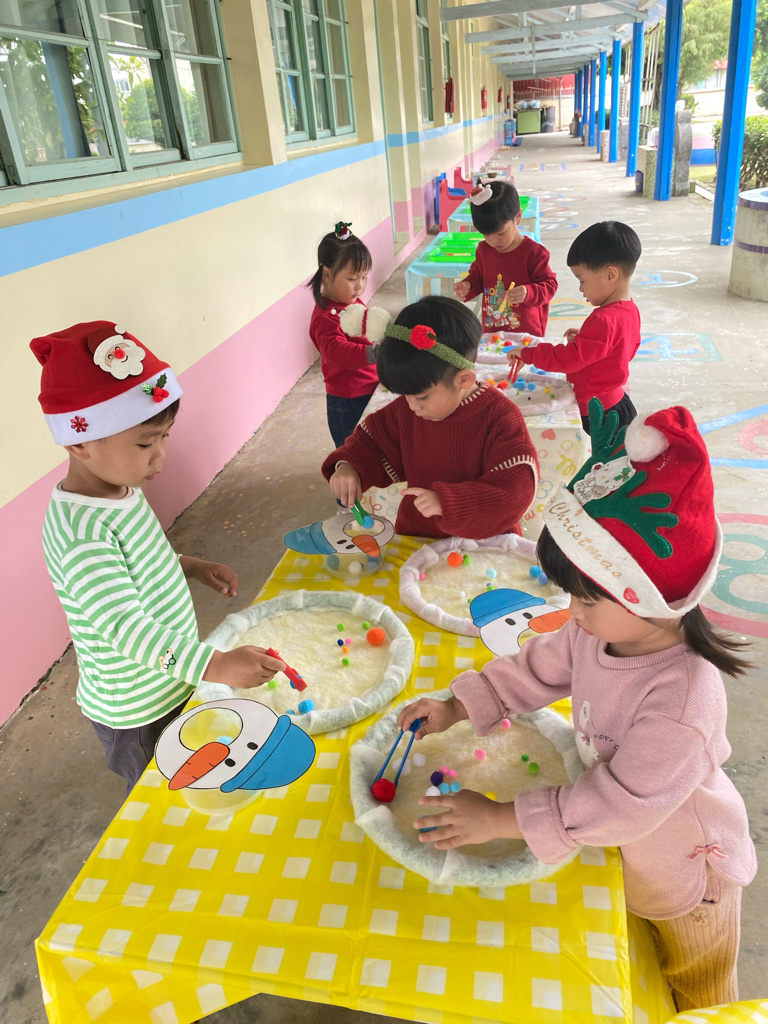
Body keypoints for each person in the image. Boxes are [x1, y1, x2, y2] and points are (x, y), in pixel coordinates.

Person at [397, 400, 756, 1011]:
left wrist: (500, 819)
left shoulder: (683, 702)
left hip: (686, 874)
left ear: (648, 598)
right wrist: (459, 705)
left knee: (696, 983)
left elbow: (622, 802)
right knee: (636, 944)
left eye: (586, 599)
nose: (572, 612)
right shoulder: (597, 631)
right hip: (629, 843)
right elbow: (539, 666)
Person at [31, 321, 285, 791]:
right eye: (146, 443)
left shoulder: (120, 490)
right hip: (139, 708)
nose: (161, 455)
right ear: (79, 441)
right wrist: (214, 665)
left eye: (165, 436)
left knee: (201, 771)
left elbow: (143, 555)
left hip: (171, 675)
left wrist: (188, 565)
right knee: (166, 792)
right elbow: (125, 628)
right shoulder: (81, 534)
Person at [322, 295, 539, 539]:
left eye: (422, 397)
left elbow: (515, 491)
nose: (412, 406)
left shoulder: (500, 418)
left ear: (464, 379)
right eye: (405, 396)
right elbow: (373, 443)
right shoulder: (407, 410)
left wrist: (448, 503)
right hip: (419, 539)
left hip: (486, 546)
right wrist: (349, 466)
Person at [510, 220, 642, 435]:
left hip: (598, 414)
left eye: (582, 280)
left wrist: (529, 354)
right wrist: (586, 338)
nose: (581, 289)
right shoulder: (629, 309)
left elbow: (569, 360)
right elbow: (621, 347)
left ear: (610, 275)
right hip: (618, 406)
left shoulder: (603, 320)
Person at [308, 221, 381, 448]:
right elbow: (337, 351)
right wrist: (373, 353)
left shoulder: (353, 302)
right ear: (327, 275)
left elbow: (366, 329)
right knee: (353, 451)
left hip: (371, 386)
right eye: (352, 279)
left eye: (364, 277)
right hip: (348, 401)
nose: (360, 286)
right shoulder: (325, 317)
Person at [454, 180, 557, 337]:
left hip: (527, 334)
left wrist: (528, 292)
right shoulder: (483, 250)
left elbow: (550, 286)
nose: (493, 241)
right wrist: (469, 285)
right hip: (493, 331)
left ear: (518, 217)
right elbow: (477, 277)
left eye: (501, 233)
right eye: (486, 234)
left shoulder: (534, 253)